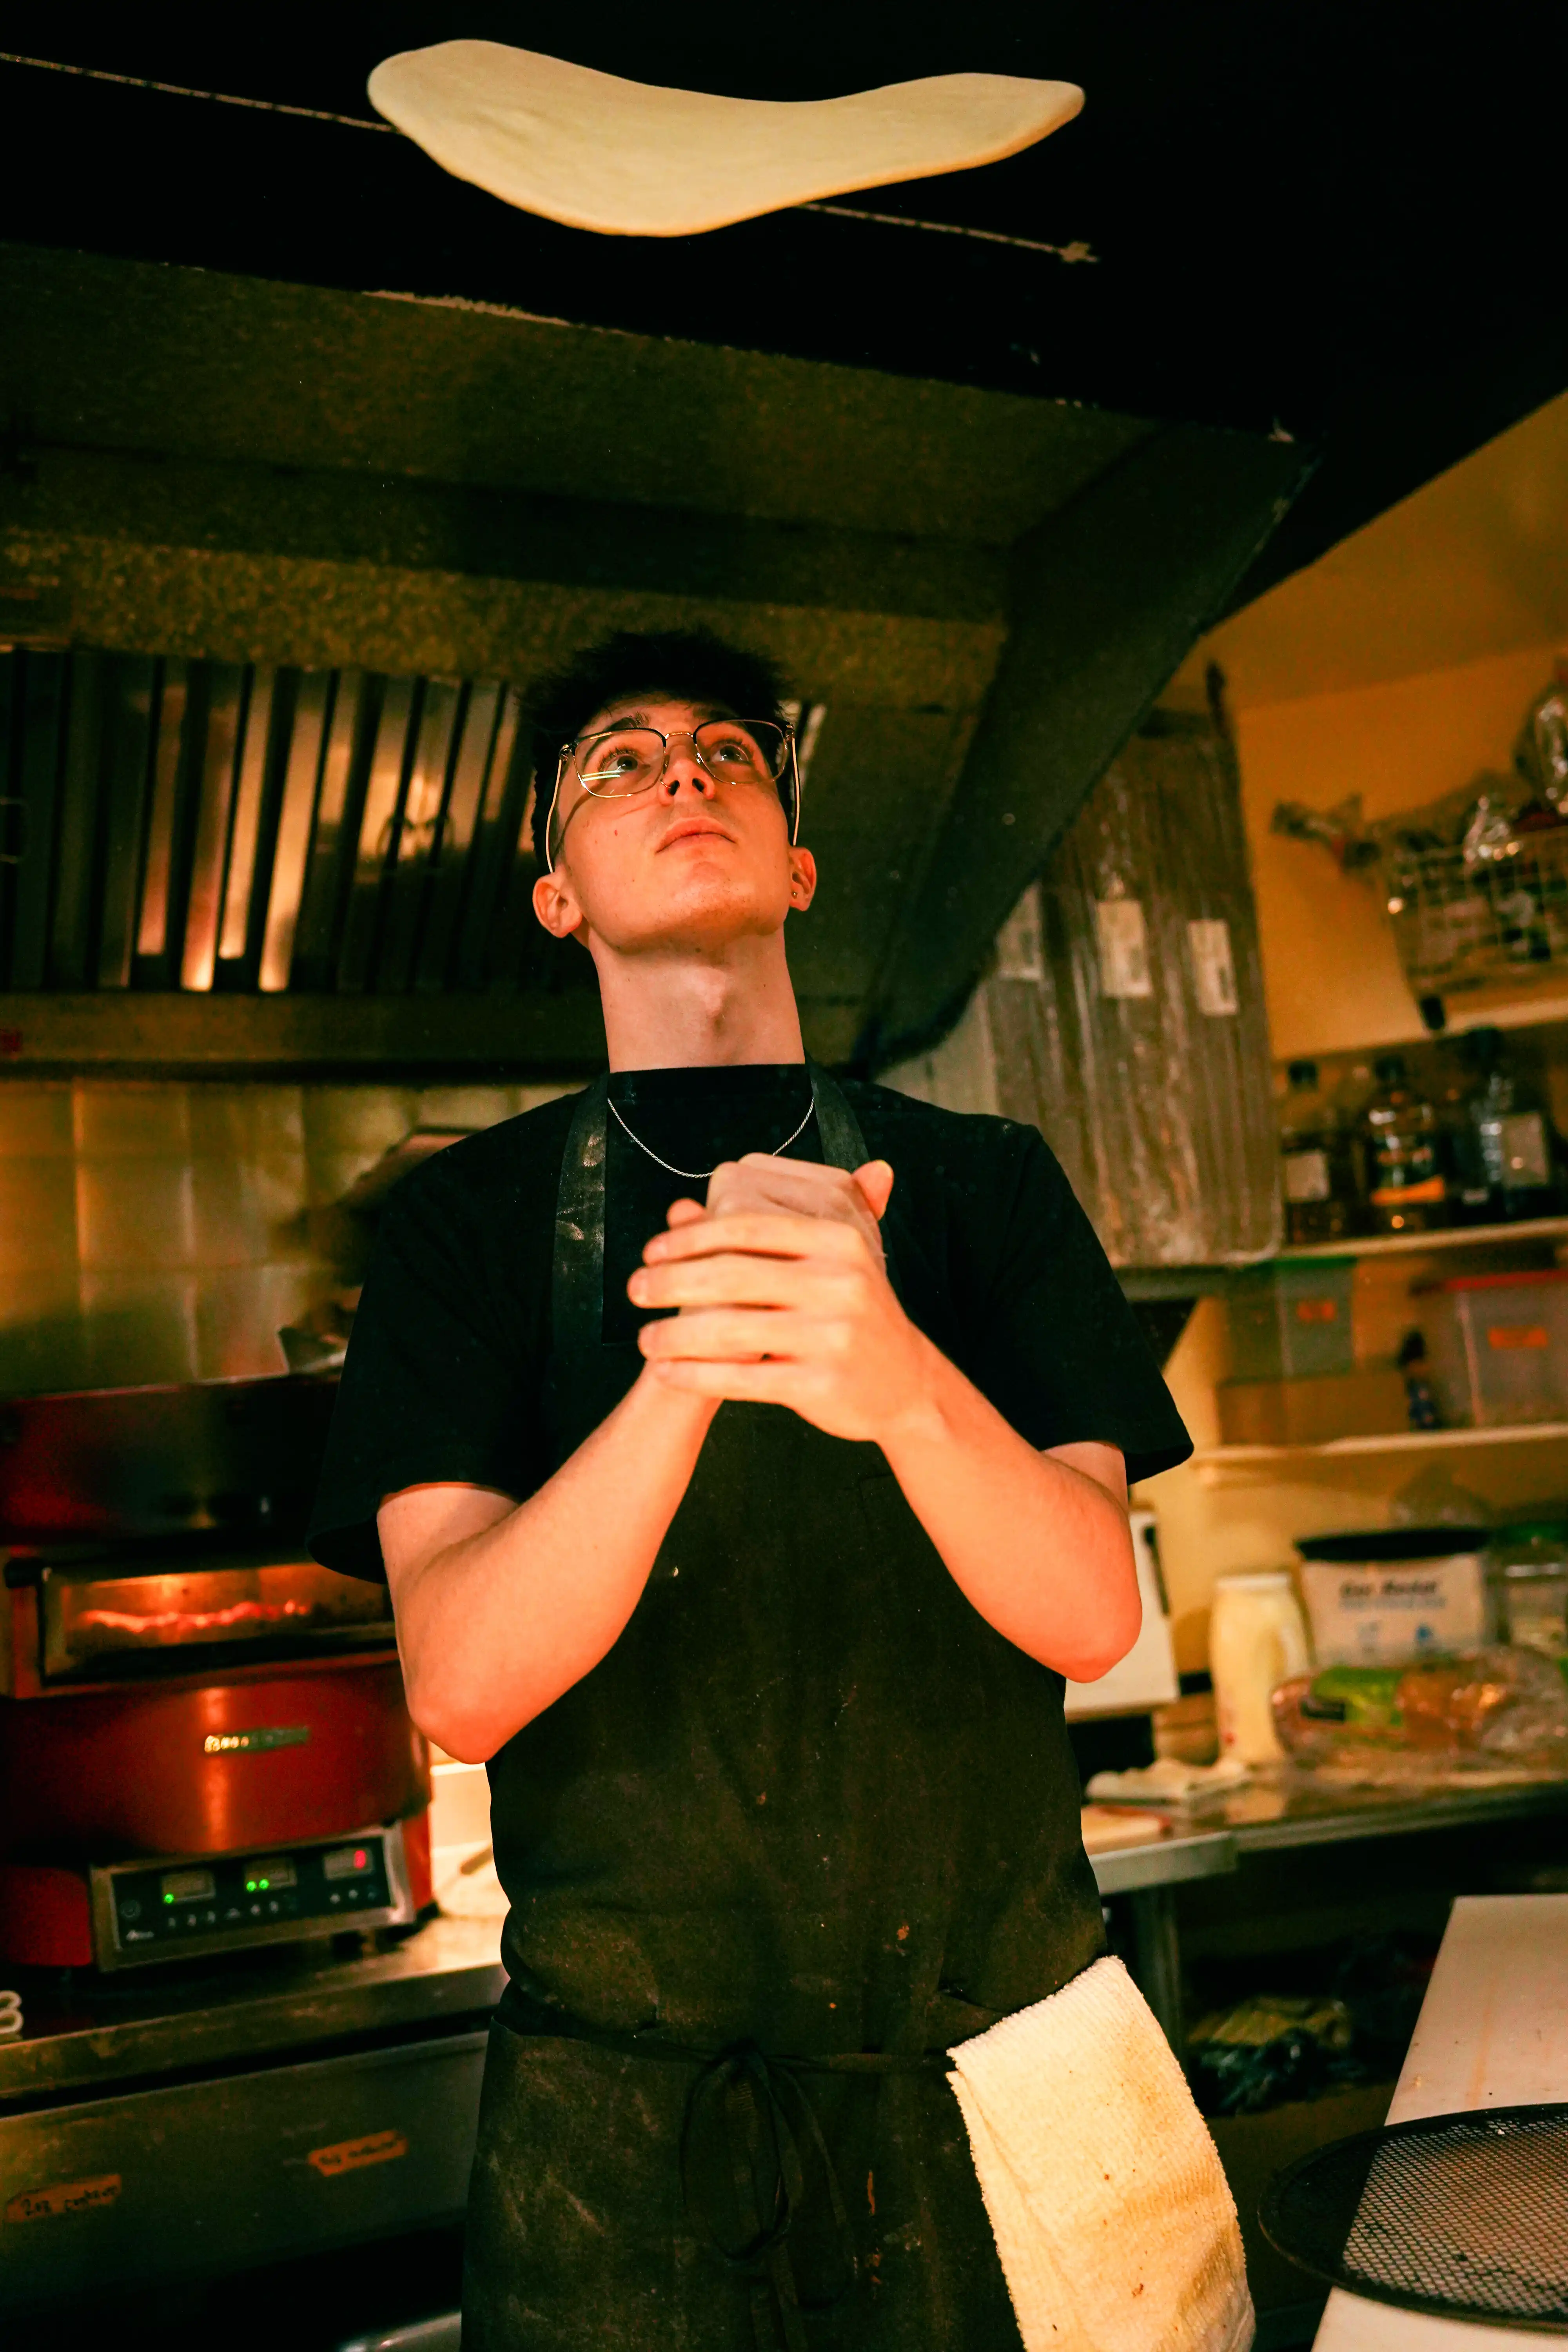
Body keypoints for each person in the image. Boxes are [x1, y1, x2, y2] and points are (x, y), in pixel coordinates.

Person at [309, 626, 1192, 2350]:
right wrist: (687, 1366)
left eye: (726, 752)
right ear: (557, 894)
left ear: (792, 867)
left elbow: (1092, 1612)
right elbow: (465, 1687)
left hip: (1001, 2085)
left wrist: (902, 1383)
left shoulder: (982, 1188)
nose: (679, 774)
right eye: (617, 764)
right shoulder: (459, 1231)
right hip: (632, 2141)